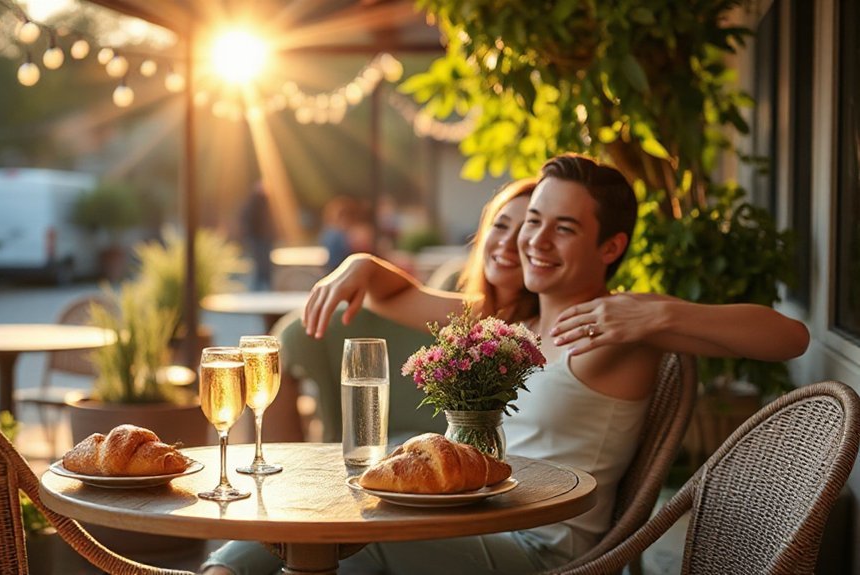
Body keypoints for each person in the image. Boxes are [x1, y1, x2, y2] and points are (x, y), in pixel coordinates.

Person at [201, 155, 809, 575]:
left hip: (540, 552)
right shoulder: (507, 329)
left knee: (355, 534)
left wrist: (660, 318)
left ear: (611, 247)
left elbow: (788, 337)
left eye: (563, 228)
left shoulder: (620, 326)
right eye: (533, 221)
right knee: (311, 516)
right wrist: (355, 262)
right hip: (468, 524)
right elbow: (398, 295)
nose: (536, 241)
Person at [240, 181, 275, 291]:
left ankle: (263, 284)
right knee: (260, 262)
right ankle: (259, 285)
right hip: (257, 238)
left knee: (264, 262)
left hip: (264, 238)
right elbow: (247, 220)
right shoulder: (254, 203)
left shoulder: (265, 202)